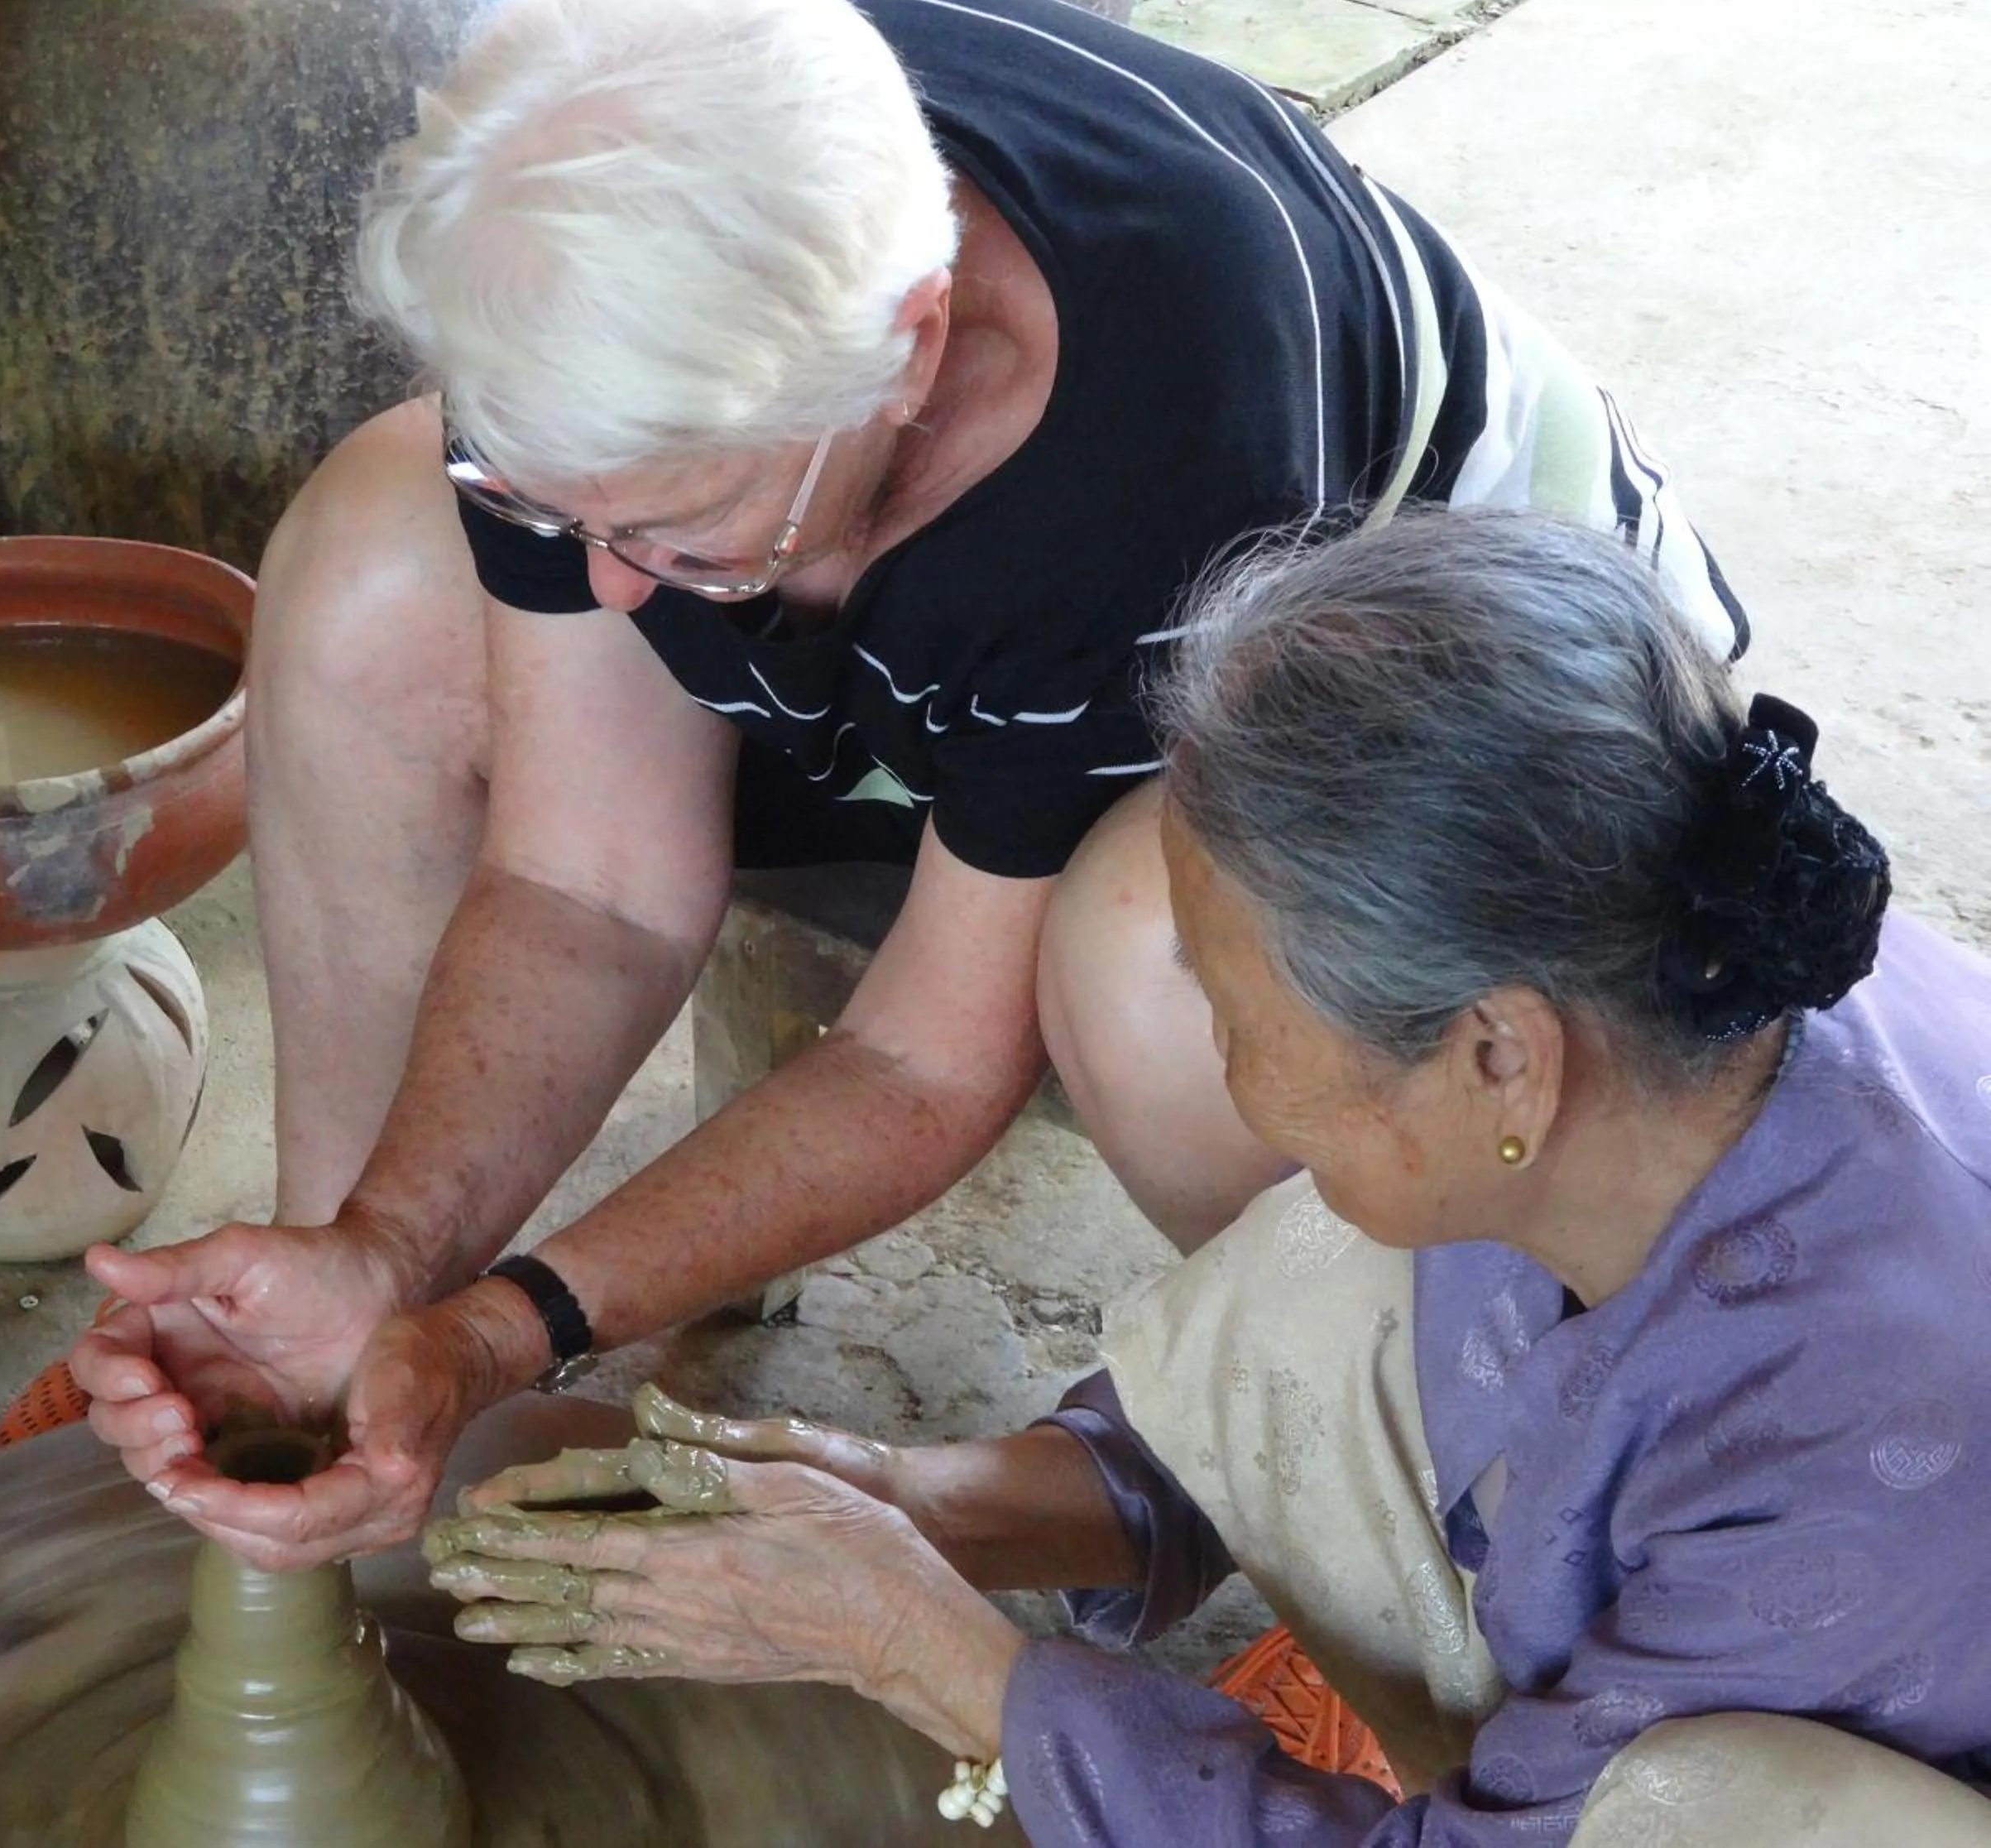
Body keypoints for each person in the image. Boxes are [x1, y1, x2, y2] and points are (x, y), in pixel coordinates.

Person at [69, 0, 1747, 1570]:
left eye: (668, 526)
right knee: (374, 575)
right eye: (567, 507)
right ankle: (316, 1351)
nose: (617, 590)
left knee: (1152, 963)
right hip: (948, 637)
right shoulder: (657, 189)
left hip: (1449, 756)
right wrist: (397, 1263)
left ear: (916, 339)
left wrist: (511, 1327)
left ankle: (1415, 1494)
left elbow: (923, 1056)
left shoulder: (1168, 452)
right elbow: (588, 881)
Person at [425, 513, 1991, 1847]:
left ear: (1499, 1060)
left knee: (1710, 1792)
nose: (1213, 1043)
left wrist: (914, 1646)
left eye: (1235, 1006)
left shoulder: (1851, 1447)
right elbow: (1255, 1387)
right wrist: (906, 1503)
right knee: (1338, 1269)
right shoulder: (1678, 962)